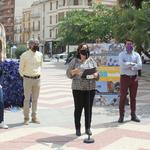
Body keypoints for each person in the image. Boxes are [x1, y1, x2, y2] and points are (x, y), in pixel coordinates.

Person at [66, 43, 99, 136]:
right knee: (78, 109)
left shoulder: (92, 60)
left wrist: (96, 75)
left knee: (88, 109)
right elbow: (68, 74)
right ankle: (77, 128)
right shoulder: (74, 61)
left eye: (86, 49)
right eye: (82, 50)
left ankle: (88, 128)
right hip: (78, 89)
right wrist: (74, 71)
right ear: (79, 51)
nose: (84, 52)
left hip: (90, 88)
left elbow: (97, 73)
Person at [19, 39, 43, 125]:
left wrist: (38, 74)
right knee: (27, 99)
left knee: (35, 99)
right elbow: (20, 69)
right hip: (27, 79)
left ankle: (34, 117)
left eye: (37, 44)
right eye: (34, 44)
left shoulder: (40, 54)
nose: (36, 45)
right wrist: (25, 77)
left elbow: (40, 66)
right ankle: (26, 118)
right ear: (30, 45)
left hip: (37, 79)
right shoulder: (24, 55)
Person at [118, 39, 142, 123]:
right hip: (124, 78)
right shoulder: (121, 54)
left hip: (134, 79)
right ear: (125, 45)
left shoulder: (136, 55)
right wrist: (133, 64)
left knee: (133, 98)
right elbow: (122, 65)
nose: (129, 45)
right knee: (122, 97)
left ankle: (133, 115)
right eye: (128, 44)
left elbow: (140, 65)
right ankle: (121, 116)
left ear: (133, 45)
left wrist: (129, 64)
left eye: (131, 44)